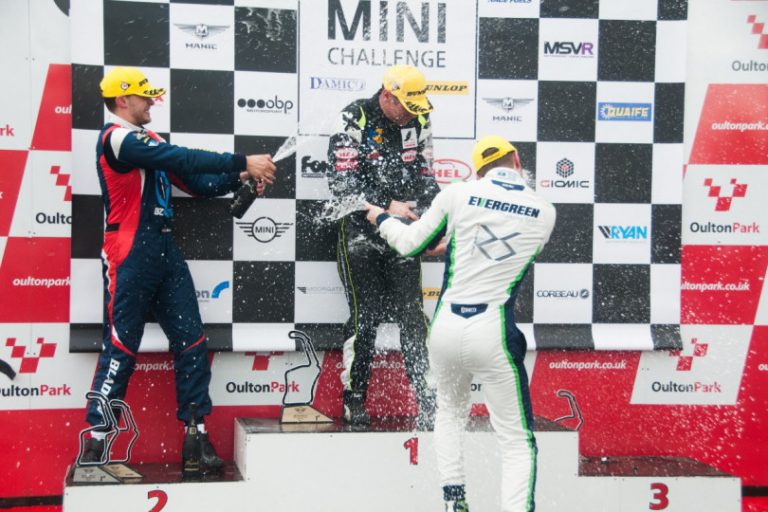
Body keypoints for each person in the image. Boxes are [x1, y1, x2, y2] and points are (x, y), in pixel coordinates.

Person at [80, 66, 276, 474]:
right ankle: (95, 444)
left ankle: (195, 436)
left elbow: (195, 181)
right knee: (121, 345)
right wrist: (244, 159)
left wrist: (242, 177)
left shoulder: (146, 140)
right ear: (123, 101)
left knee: (191, 341)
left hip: (164, 249)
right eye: (145, 96)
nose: (152, 101)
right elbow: (180, 157)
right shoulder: (117, 138)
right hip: (129, 251)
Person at [364, 136, 556, 512]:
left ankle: (455, 504)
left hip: (447, 328)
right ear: (517, 160)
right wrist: (453, 241)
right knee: (516, 441)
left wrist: (382, 218)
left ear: (478, 169)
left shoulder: (458, 194)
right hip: (493, 330)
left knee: (449, 414)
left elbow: (409, 244)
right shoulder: (545, 210)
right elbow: (498, 247)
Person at [326, 64, 440, 427]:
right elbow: (342, 184)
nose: (412, 112)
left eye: (417, 106)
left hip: (402, 231)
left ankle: (427, 395)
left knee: (411, 314)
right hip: (360, 230)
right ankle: (354, 397)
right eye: (406, 105)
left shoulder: (419, 119)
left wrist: (435, 217)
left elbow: (425, 174)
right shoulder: (355, 116)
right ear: (387, 96)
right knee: (367, 316)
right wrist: (387, 205)